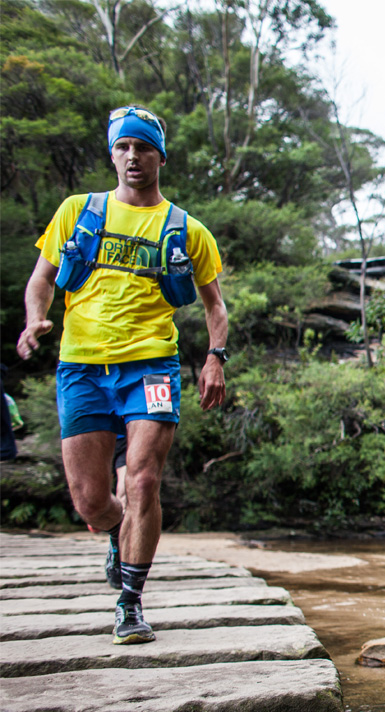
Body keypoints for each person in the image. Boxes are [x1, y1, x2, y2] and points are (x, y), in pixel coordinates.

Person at [16, 105, 229, 645]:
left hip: (152, 364)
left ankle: (130, 601)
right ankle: (117, 533)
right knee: (90, 500)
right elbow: (41, 279)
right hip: (81, 367)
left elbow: (215, 307)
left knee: (142, 480)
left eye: (143, 147)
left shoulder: (187, 230)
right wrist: (34, 318)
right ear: (113, 154)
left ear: (160, 156)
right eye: (123, 147)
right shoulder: (76, 211)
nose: (133, 156)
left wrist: (214, 357)